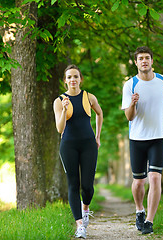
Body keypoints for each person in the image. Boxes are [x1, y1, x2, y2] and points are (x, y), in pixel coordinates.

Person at [121, 46, 163, 234]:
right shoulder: (130, 85)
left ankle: (149, 221)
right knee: (139, 182)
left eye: (147, 58)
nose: (144, 61)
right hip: (137, 138)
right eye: (140, 58)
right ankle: (139, 210)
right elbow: (129, 117)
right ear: (136, 63)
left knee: (154, 177)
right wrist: (132, 104)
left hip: (158, 137)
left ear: (152, 61)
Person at [53, 64, 103, 239]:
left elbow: (99, 113)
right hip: (68, 146)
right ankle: (80, 225)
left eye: (75, 76)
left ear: (80, 79)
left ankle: (85, 208)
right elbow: (60, 129)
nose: (72, 80)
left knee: (88, 187)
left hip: (88, 145)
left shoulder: (89, 97)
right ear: (65, 81)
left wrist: (97, 136)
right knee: (73, 184)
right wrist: (65, 109)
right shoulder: (59, 101)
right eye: (69, 77)